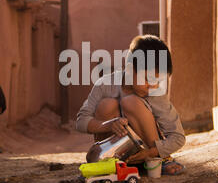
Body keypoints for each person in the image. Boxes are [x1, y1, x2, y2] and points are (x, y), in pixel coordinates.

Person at [76, 35, 186, 175]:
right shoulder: (105, 84)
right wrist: (109, 125)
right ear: (129, 69)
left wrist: (151, 152)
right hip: (115, 155)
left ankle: (158, 161)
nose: (153, 86)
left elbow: (178, 137)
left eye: (159, 81)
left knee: (131, 102)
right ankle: (110, 164)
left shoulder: (154, 93)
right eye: (148, 79)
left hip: (147, 154)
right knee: (107, 104)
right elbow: (81, 121)